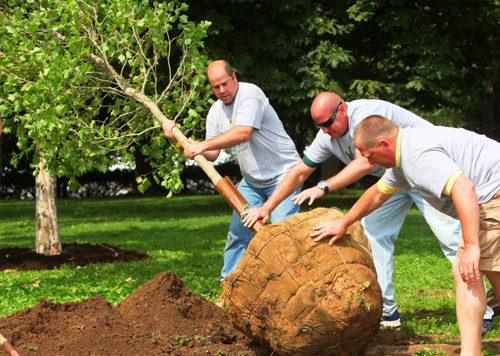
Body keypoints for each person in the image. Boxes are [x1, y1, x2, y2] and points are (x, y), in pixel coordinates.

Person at [242, 92, 495, 331]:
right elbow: (306, 173)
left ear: (342, 108)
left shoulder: (370, 120)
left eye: (328, 123)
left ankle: (482, 314)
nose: (325, 131)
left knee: (454, 240)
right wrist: (269, 206)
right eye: (319, 126)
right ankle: (386, 310)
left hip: (431, 173)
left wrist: (325, 185)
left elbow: (365, 162)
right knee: (374, 230)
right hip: (400, 173)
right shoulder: (345, 143)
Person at [311, 115, 500, 355]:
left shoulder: (415, 155)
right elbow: (378, 193)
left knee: (466, 273)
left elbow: (464, 187)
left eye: (370, 156)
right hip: (492, 190)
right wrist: (344, 222)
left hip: (493, 192)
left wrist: (472, 247)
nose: (369, 164)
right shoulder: (402, 156)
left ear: (385, 145)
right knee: (492, 271)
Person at [162, 60, 302, 281]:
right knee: (238, 234)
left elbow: (243, 132)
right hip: (252, 183)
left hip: (284, 175)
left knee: (282, 233)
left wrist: (202, 144)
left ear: (234, 77)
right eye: (215, 87)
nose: (222, 91)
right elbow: (211, 155)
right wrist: (177, 142)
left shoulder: (250, 94)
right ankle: (229, 285)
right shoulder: (216, 111)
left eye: (225, 84)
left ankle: (291, 287)